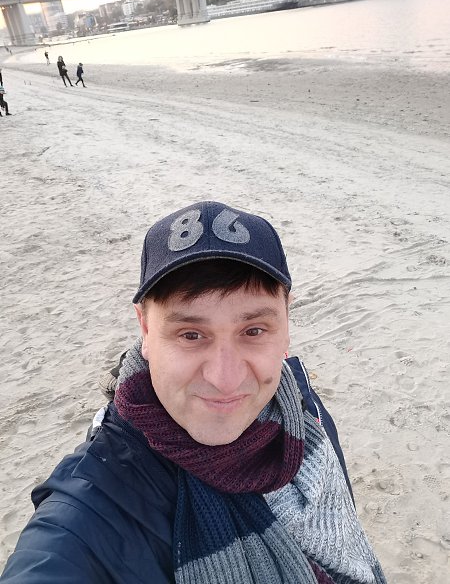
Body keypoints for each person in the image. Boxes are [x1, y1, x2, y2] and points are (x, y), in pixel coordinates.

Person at [0, 201, 387, 584]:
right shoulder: (87, 516)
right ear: (145, 330)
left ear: (287, 321)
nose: (225, 378)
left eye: (253, 331)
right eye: (190, 335)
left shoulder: (299, 407)